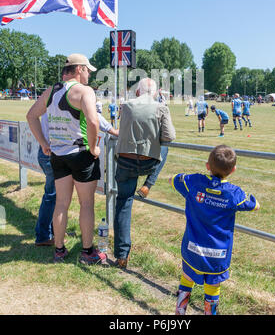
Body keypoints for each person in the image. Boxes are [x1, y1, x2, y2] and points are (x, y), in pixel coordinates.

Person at [26, 53, 106, 265]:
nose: (89, 74)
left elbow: (31, 116)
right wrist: (93, 148)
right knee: (86, 204)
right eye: (88, 70)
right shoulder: (84, 91)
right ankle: (88, 252)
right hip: (81, 154)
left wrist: (44, 143)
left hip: (58, 155)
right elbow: (92, 121)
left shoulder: (52, 90)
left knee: (61, 203)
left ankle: (59, 250)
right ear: (79, 69)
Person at [170, 144, 260, 315]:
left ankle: (179, 314)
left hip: (192, 250)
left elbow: (174, 180)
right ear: (233, 170)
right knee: (212, 287)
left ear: (207, 166)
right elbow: (254, 205)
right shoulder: (234, 194)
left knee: (187, 278)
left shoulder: (194, 182)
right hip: (217, 256)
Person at [113, 77, 176, 269]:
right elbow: (169, 137)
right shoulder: (161, 107)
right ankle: (149, 184)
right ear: (156, 93)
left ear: (138, 92)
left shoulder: (127, 106)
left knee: (123, 203)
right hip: (148, 162)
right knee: (165, 148)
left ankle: (122, 255)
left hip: (125, 160)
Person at [34, 113, 56, 246]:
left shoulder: (50, 97)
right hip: (51, 154)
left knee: (55, 196)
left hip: (47, 153)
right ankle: (43, 235)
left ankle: (55, 231)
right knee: (52, 196)